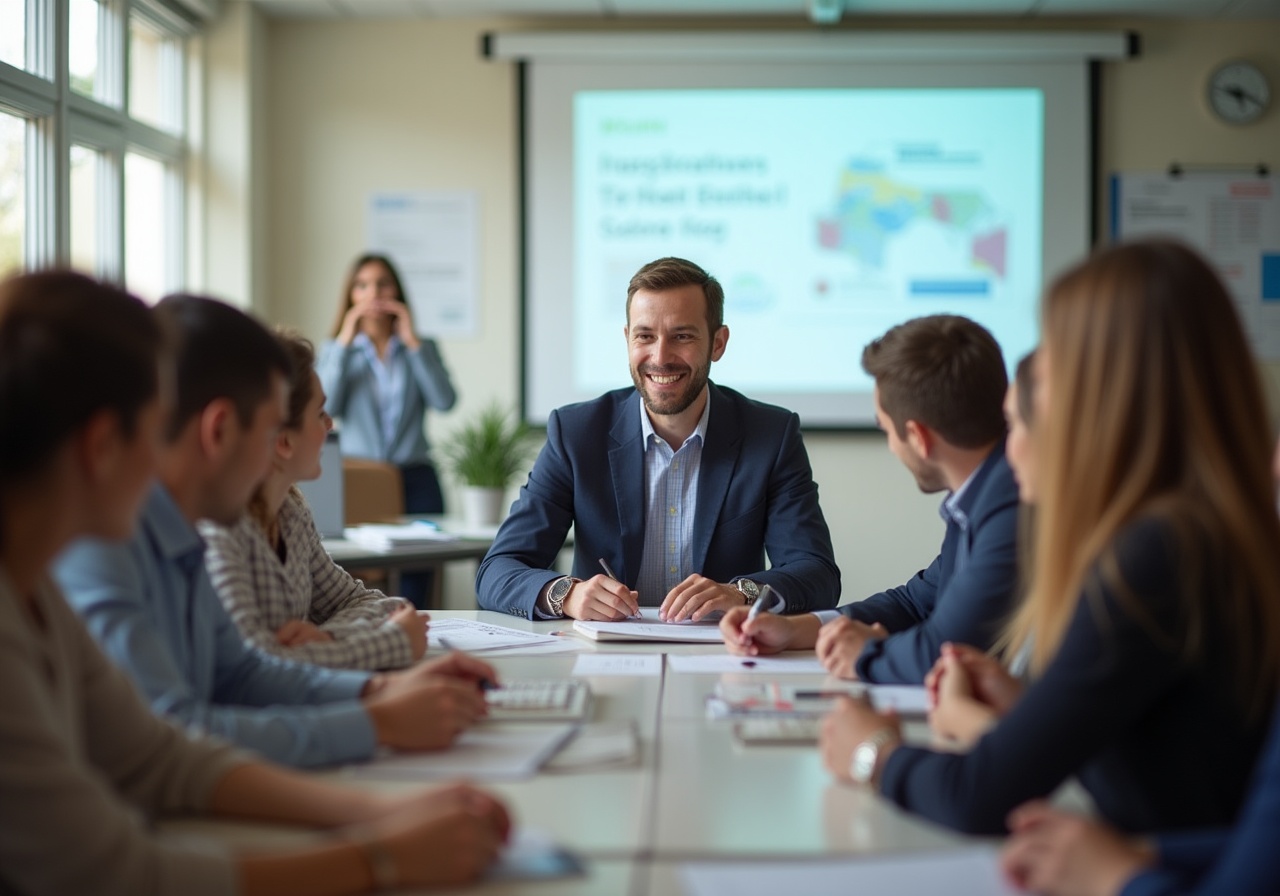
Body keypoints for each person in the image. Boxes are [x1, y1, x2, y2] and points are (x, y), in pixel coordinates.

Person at [0, 271, 509, 896]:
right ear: (104, 446)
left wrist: (379, 805)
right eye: (154, 428)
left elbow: (159, 751)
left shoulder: (42, 587)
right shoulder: (89, 563)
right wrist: (379, 857)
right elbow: (111, 872)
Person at [818, 239, 1280, 836]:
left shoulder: (1154, 554)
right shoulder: (1216, 526)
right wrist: (1020, 715)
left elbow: (975, 797)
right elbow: (1172, 756)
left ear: (1103, 393)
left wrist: (872, 752)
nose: (1014, 435)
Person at [55, 293, 495, 769]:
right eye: (269, 434)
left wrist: (384, 688)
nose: (272, 460)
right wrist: (378, 721)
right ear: (219, 430)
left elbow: (241, 674)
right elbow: (175, 734)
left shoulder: (181, 532)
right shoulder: (106, 543)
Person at [475, 256, 840, 621]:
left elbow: (817, 574)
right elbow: (498, 570)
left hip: (721, 654)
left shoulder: (771, 436)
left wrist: (741, 593)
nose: (660, 357)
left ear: (717, 343)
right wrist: (567, 595)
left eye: (682, 336)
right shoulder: (575, 433)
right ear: (627, 339)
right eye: (645, 336)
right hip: (604, 658)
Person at [720, 314, 1018, 684]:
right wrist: (797, 630)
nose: (891, 447)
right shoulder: (981, 497)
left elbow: (945, 648)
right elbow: (914, 603)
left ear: (919, 437)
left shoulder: (1011, 510)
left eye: (885, 430)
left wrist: (866, 652)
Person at [200, 330, 427, 671]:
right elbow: (260, 669)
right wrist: (392, 642)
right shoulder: (223, 530)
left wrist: (329, 639)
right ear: (284, 442)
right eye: (320, 414)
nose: (330, 425)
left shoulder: (290, 511)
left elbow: (363, 600)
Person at [317, 252, 457, 607]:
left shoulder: (420, 347)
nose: (373, 293)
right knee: (358, 572)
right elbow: (325, 407)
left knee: (418, 577)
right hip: (362, 478)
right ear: (351, 295)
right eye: (362, 285)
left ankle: (414, 634)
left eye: (383, 284)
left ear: (396, 292)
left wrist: (413, 343)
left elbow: (445, 400)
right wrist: (344, 342)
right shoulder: (337, 352)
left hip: (416, 475)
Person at [927, 350, 1038, 747]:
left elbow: (1041, 756)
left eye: (1015, 425)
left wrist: (874, 752)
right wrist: (1021, 703)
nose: (1007, 450)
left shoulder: (1132, 559)